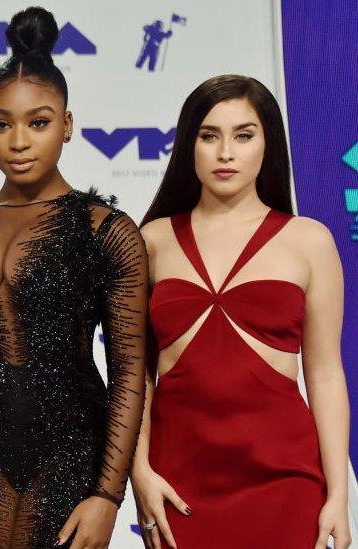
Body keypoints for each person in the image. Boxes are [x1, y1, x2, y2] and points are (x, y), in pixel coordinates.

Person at [0, 6, 147, 548]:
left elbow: (130, 373)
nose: (18, 141)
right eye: (1, 123)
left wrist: (109, 497)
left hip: (70, 457)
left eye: (38, 122)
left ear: (67, 126)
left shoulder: (106, 231)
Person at [131, 74, 351, 549]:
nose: (225, 152)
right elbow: (135, 376)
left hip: (285, 480)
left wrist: (338, 495)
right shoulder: (150, 241)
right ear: (189, 145)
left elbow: (326, 372)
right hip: (178, 485)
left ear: (268, 143)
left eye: (244, 135)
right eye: (209, 135)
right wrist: (139, 470)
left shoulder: (309, 241)